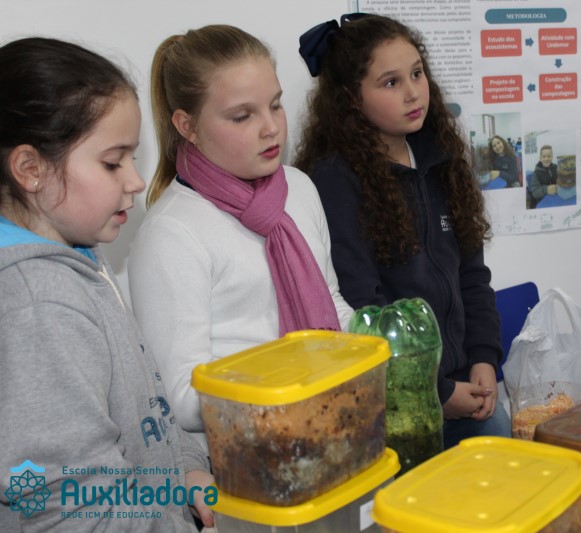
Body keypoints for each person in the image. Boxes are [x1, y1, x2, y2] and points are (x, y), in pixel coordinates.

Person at [0, 37, 213, 531]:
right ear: (31, 170)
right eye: (113, 162)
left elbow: (145, 407)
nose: (135, 181)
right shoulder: (37, 303)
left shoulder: (78, 259)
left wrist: (185, 469)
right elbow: (70, 508)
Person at [128, 25, 353, 452]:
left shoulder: (298, 187)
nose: (271, 128)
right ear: (187, 126)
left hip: (329, 432)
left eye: (275, 105)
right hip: (240, 459)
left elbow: (330, 302)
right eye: (242, 116)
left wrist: (377, 338)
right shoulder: (171, 234)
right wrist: (288, 382)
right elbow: (180, 397)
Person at [295, 13, 510, 448]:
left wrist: (485, 358)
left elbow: (471, 276)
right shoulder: (336, 180)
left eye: (417, 73)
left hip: (463, 385)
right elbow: (362, 306)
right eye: (391, 82)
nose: (413, 92)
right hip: (396, 401)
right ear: (351, 98)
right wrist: (436, 391)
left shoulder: (440, 157)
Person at [528, 144, 558, 208]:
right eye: (544, 156)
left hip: (556, 198)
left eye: (549, 156)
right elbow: (535, 192)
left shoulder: (556, 167)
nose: (546, 159)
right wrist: (546, 190)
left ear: (552, 157)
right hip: (544, 201)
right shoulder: (535, 173)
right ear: (540, 158)